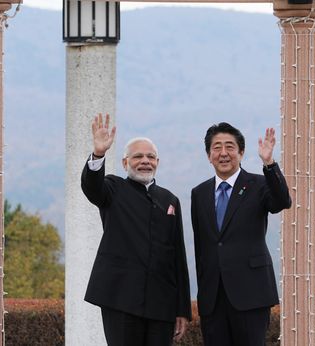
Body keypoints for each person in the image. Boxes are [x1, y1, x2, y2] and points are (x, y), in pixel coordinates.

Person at [81, 113, 191, 346]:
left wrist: (182, 309)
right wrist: (99, 153)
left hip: (161, 302)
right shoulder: (113, 187)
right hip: (120, 297)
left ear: (158, 162)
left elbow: (178, 257)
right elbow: (92, 188)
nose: (145, 161)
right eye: (138, 156)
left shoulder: (169, 199)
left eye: (151, 157)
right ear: (125, 162)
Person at [191, 122, 291, 346]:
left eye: (230, 147)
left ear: (241, 152)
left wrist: (269, 163)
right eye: (217, 148)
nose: (223, 153)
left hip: (251, 293)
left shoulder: (259, 184)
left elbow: (282, 201)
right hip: (212, 298)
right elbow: (202, 246)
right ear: (209, 155)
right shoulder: (199, 193)